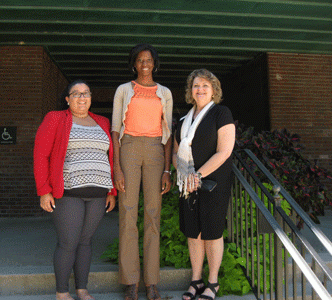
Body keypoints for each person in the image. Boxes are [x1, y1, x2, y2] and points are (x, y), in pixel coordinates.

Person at [33, 80, 117, 300]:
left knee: (85, 242)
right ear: (67, 99)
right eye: (76, 93)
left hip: (99, 193)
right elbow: (41, 155)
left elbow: (110, 158)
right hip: (69, 192)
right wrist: (44, 190)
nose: (82, 97)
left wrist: (111, 191)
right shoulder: (55, 119)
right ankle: (62, 292)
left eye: (86, 93)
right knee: (68, 242)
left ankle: (82, 289)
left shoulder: (102, 122)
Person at [111, 44, 173, 300]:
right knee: (127, 212)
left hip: (156, 149)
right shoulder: (124, 90)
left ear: (155, 64)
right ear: (133, 64)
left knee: (152, 214)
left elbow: (169, 133)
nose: (145, 64)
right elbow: (115, 129)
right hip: (129, 147)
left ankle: (151, 281)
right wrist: (117, 167)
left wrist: (167, 170)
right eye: (140, 60)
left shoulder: (165, 93)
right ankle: (130, 281)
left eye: (149, 60)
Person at [172, 69, 235, 300]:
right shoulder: (182, 120)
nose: (200, 89)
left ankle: (213, 283)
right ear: (191, 91)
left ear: (213, 91)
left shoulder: (221, 113)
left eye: (205, 86)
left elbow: (224, 151)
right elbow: (176, 153)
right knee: (193, 233)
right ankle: (196, 280)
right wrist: (185, 175)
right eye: (196, 85)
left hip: (213, 183)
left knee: (212, 233)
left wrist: (197, 175)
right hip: (187, 185)